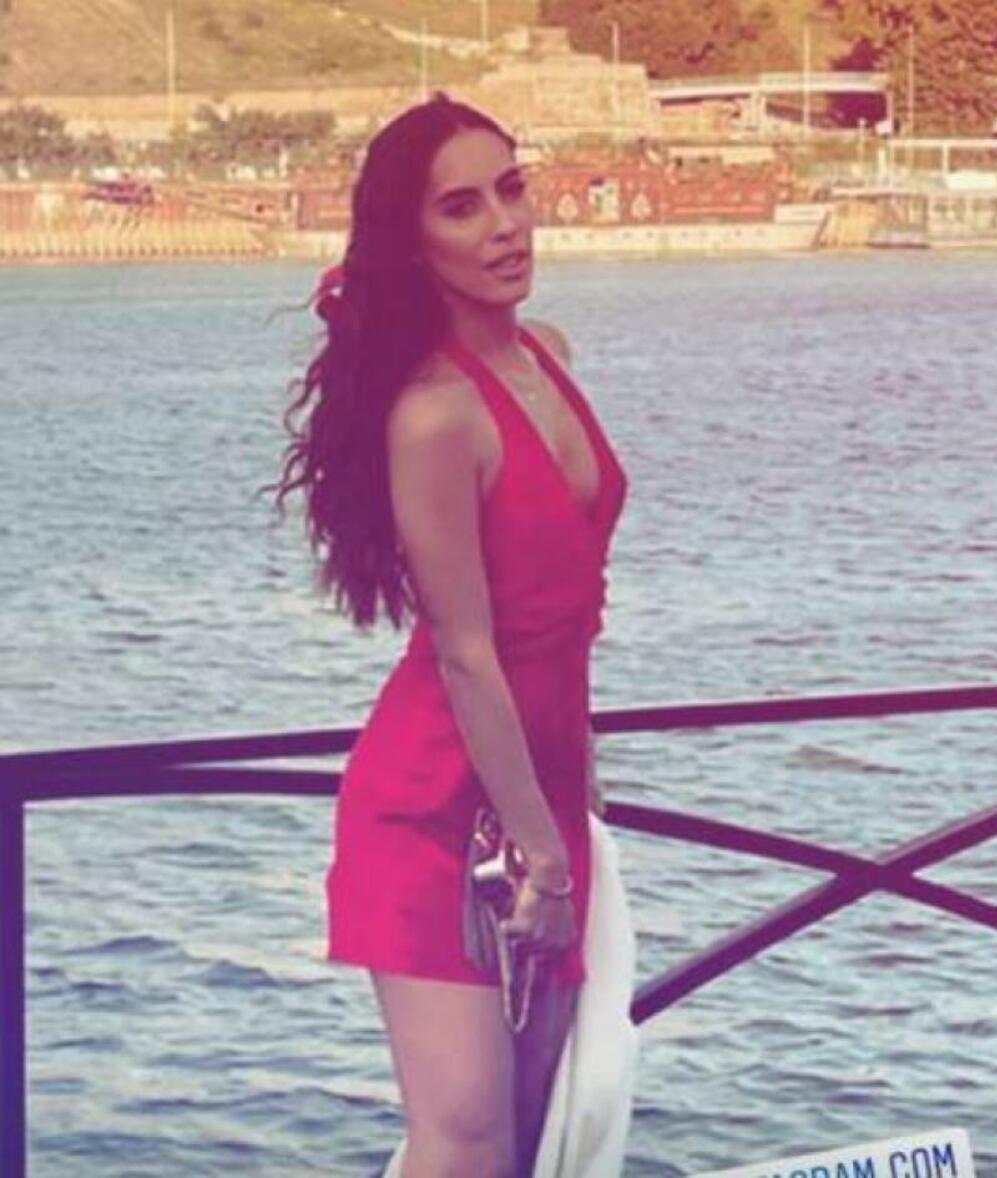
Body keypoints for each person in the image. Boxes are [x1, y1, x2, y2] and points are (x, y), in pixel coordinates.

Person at [266, 92, 629, 1177]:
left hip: (538, 793)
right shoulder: (434, 413)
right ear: (413, 243)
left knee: (529, 1137)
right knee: (463, 1138)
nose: (504, 225)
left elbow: (560, 622)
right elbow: (469, 652)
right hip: (434, 804)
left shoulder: (549, 354)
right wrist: (544, 860)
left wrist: (572, 794)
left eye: (510, 189)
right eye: (461, 207)